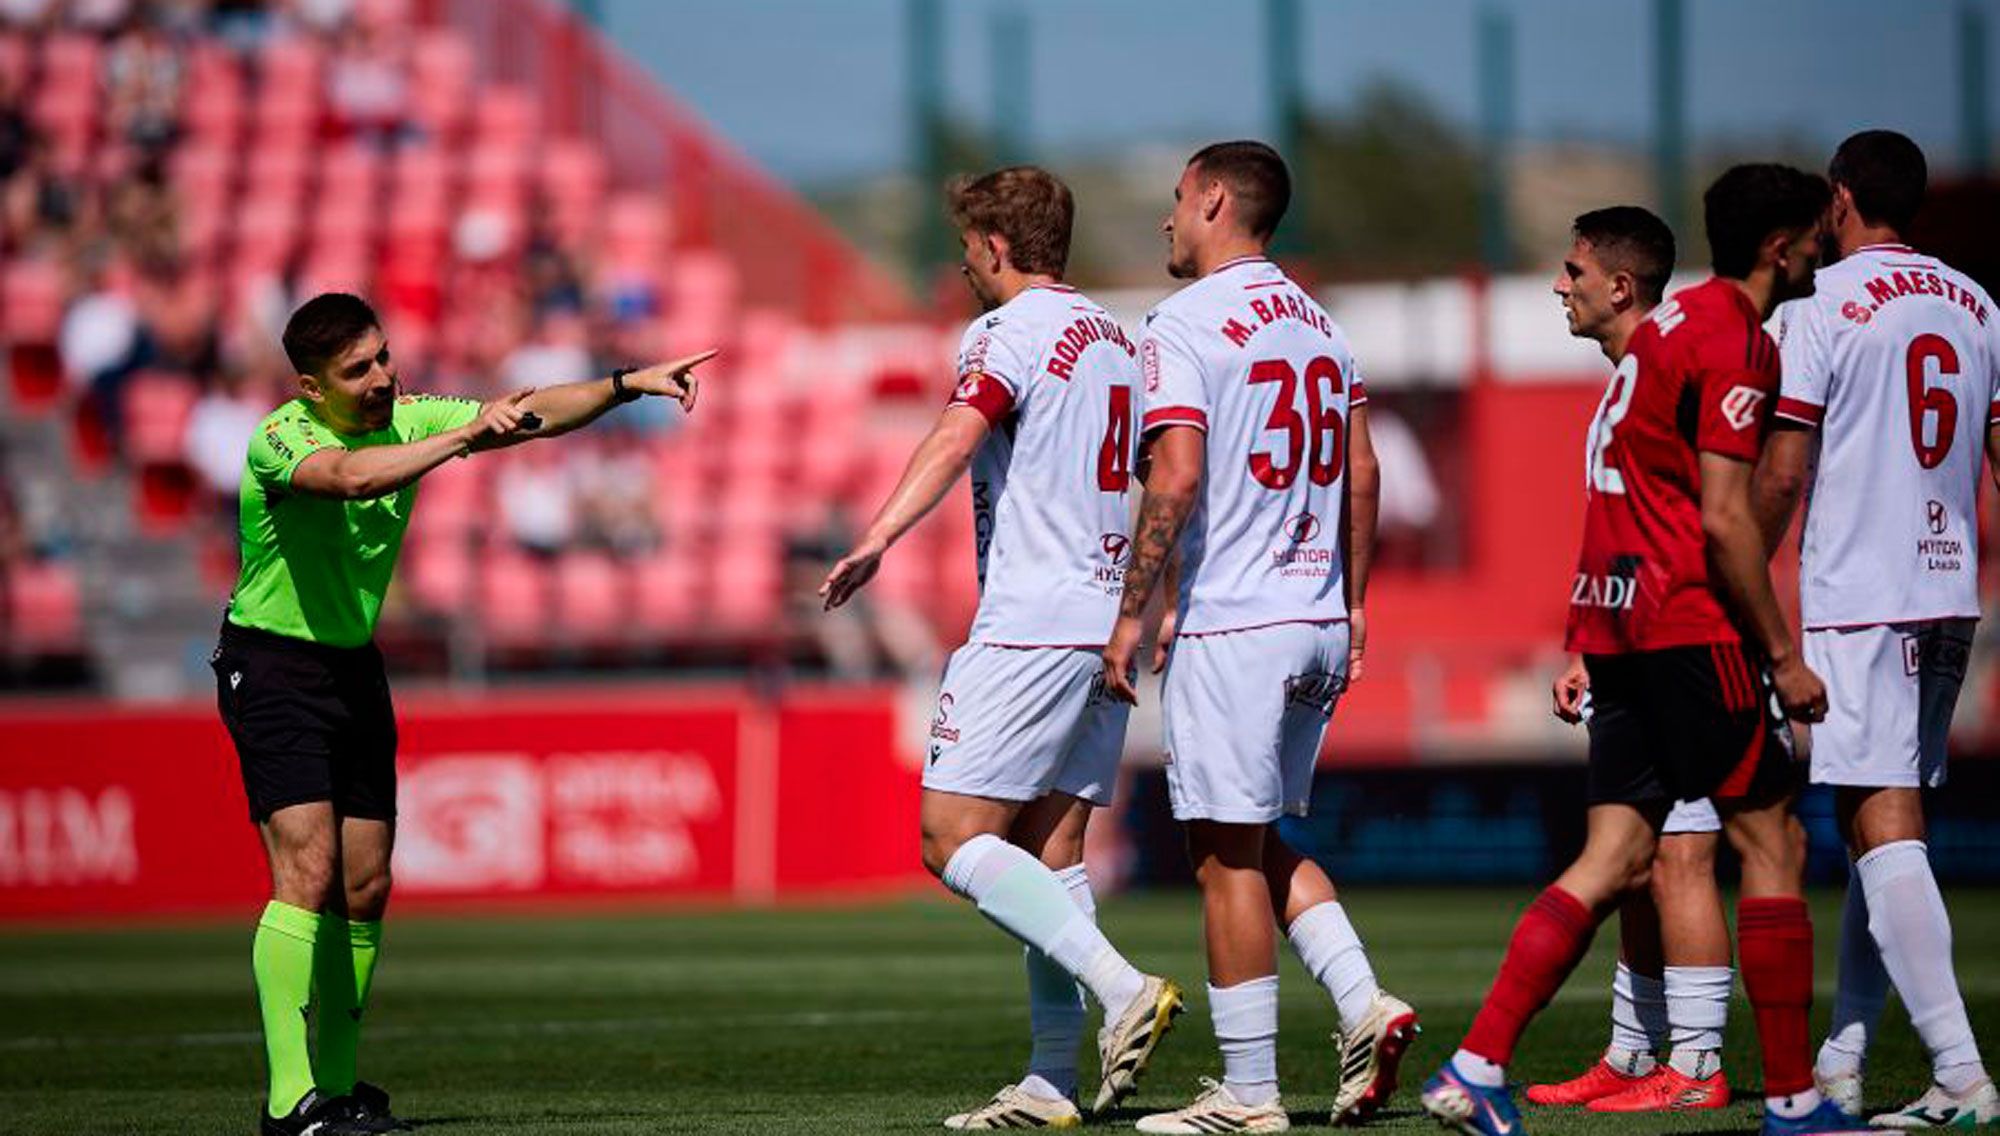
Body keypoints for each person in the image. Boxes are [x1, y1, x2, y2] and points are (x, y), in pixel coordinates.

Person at [1417, 165, 1867, 1136]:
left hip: (1619, 626)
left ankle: (1475, 1062)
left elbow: (1621, 499)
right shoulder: (1734, 340)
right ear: (1780, 246)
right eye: (1812, 238)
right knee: (1770, 842)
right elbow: (1723, 516)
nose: (1820, 252)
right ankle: (1788, 1097)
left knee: (1616, 857)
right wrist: (1781, 654)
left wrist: (1587, 632)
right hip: (1687, 628)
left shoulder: (1661, 335)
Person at [214, 292, 712, 1136]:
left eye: (383, 356)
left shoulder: (409, 418)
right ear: (311, 387)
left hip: (352, 666)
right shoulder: (281, 438)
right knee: (307, 869)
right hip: (272, 665)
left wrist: (626, 384)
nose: (382, 377)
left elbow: (530, 414)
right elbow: (350, 479)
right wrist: (464, 438)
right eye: (357, 370)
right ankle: (289, 1103)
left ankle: (337, 1087)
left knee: (366, 885)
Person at [820, 167, 1180, 1130]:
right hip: (1105, 614)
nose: (963, 267)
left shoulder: (1006, 331)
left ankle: (1125, 988)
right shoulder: (1121, 339)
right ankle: (1052, 1081)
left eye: (967, 249)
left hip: (1031, 615)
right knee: (1049, 853)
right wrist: (1155, 601)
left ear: (995, 246)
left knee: (950, 839)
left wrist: (878, 535)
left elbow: (957, 431)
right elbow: (1164, 475)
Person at [1104, 140, 1413, 1135]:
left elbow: (1177, 473)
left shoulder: (1182, 321)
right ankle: (1363, 1002)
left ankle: (1248, 1093)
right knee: (1255, 837)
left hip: (1237, 621)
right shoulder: (1322, 325)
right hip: (1314, 614)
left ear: (1214, 201)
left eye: (1177, 198)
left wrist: (1131, 611)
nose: (1166, 218)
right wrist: (1354, 604)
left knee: (1221, 858)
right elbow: (1364, 472)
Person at [1755, 129, 1999, 1128]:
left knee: (1877, 816)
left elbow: (1782, 470)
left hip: (1864, 590)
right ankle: (1845, 1057)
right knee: (1880, 817)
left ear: (1839, 197)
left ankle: (1960, 1072)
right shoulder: (1977, 303)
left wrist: (1736, 579)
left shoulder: (1817, 307)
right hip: (1949, 588)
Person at [1529, 208, 1735, 1114]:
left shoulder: (1676, 374)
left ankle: (1696, 1065)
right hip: (1630, 649)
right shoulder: (1626, 384)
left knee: (1681, 855)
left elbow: (1719, 518)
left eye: (1573, 271)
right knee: (1641, 856)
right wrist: (1590, 643)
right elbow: (1624, 533)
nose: (1560, 285)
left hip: (1682, 651)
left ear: (1620, 286)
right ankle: (1631, 1049)